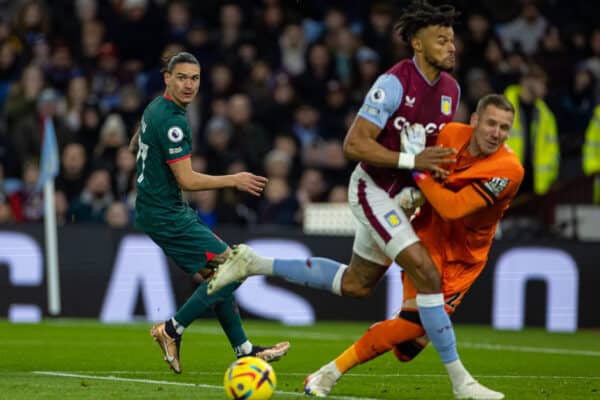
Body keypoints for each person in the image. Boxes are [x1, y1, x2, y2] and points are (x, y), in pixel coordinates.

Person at [209, 2, 503, 398]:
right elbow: (353, 144)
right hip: (372, 190)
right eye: (441, 39)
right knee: (427, 273)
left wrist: (424, 177)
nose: (452, 47)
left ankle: (252, 262)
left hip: (402, 197)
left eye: (452, 39)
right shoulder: (394, 83)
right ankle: (461, 384)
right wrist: (410, 160)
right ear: (417, 43)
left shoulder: (452, 91)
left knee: (356, 284)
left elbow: (429, 152)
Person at [304, 94, 522, 398]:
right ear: (474, 121)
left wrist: (419, 173)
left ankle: (385, 331)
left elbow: (454, 208)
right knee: (412, 325)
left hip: (465, 258)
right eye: (490, 123)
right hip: (427, 237)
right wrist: (411, 183)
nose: (496, 133)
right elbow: (410, 157)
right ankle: (328, 373)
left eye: (504, 127)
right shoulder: (447, 135)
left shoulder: (509, 169)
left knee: (407, 350)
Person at [130, 52, 289, 374]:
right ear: (167, 78)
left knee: (221, 275)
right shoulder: (173, 121)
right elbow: (187, 179)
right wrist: (235, 180)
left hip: (160, 208)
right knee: (233, 267)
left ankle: (245, 351)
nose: (189, 85)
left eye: (195, 78)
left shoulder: (155, 108)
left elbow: (136, 141)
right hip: (165, 213)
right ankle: (172, 329)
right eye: (182, 78)